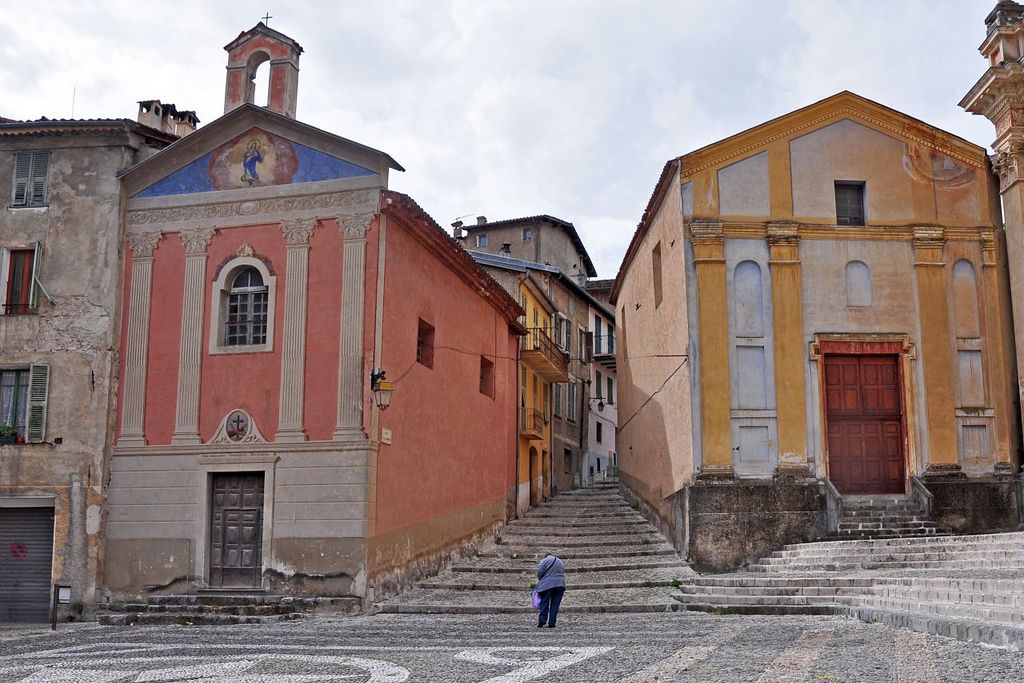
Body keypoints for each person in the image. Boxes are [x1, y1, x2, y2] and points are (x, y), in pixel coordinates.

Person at [535, 553, 565, 628]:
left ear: (546, 556)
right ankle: (552, 623)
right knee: (555, 604)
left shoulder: (544, 560)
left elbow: (540, 572)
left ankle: (542, 621)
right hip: (560, 584)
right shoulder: (560, 561)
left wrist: (540, 579)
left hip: (547, 585)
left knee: (544, 602)